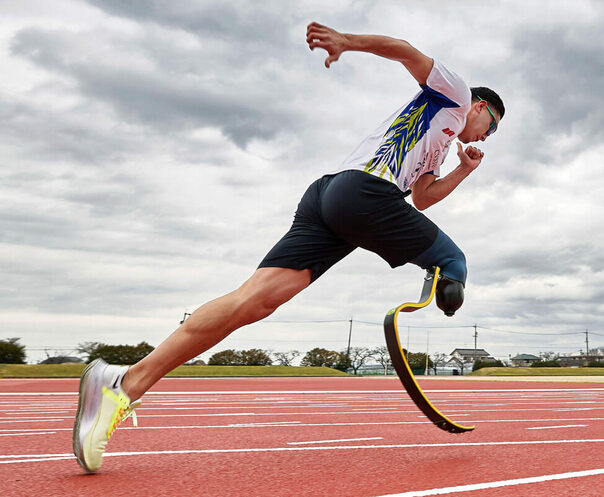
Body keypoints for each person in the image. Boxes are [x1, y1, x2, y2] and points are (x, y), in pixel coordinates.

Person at [72, 21, 505, 473]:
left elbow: (423, 198)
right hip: (361, 193)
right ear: (479, 106)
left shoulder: (440, 141)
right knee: (454, 260)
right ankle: (450, 273)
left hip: (329, 198)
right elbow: (403, 50)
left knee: (252, 302)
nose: (484, 138)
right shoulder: (453, 93)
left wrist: (464, 171)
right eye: (489, 128)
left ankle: (121, 383)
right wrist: (347, 42)